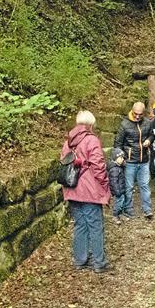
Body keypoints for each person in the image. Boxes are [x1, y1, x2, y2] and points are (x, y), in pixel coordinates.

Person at [61, 111, 110, 272]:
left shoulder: (68, 141)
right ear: (90, 124)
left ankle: (80, 260)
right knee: (95, 226)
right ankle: (99, 262)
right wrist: (104, 185)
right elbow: (98, 166)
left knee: (80, 225)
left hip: (72, 188)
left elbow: (63, 161)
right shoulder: (91, 140)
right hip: (89, 190)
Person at [113, 102, 154, 219]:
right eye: (135, 114)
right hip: (130, 161)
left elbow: (152, 135)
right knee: (129, 187)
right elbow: (118, 143)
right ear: (132, 111)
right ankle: (128, 209)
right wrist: (119, 156)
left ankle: (147, 209)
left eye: (140, 114)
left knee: (145, 185)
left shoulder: (147, 122)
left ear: (143, 113)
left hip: (144, 160)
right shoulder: (124, 124)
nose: (137, 116)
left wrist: (149, 140)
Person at [108, 147, 126, 224]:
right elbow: (113, 182)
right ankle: (115, 216)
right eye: (121, 157)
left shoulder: (119, 167)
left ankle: (120, 214)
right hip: (118, 191)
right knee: (118, 204)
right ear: (115, 158)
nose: (122, 159)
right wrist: (117, 191)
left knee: (122, 203)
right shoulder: (114, 169)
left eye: (123, 157)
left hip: (121, 190)